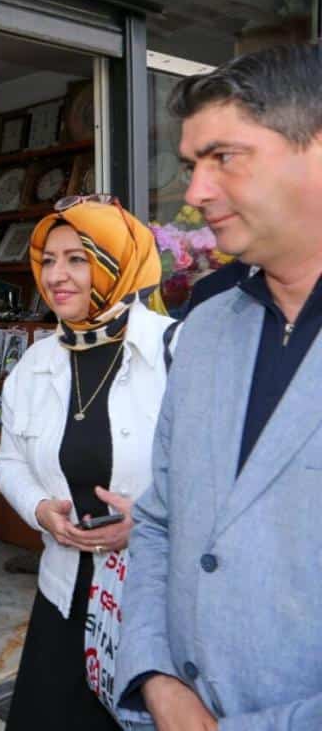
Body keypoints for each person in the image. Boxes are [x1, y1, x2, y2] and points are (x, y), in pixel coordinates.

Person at [116, 43, 322, 731]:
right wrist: (154, 678)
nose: (195, 192)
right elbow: (158, 521)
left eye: (224, 157)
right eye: (191, 164)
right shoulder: (203, 330)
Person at [0, 195, 174, 731]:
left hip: (151, 604)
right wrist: (40, 509)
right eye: (48, 260)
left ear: (119, 262)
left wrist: (147, 525)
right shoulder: (35, 363)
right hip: (63, 595)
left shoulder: (174, 351)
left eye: (78, 258)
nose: (56, 275)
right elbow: (9, 461)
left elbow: (217, 480)